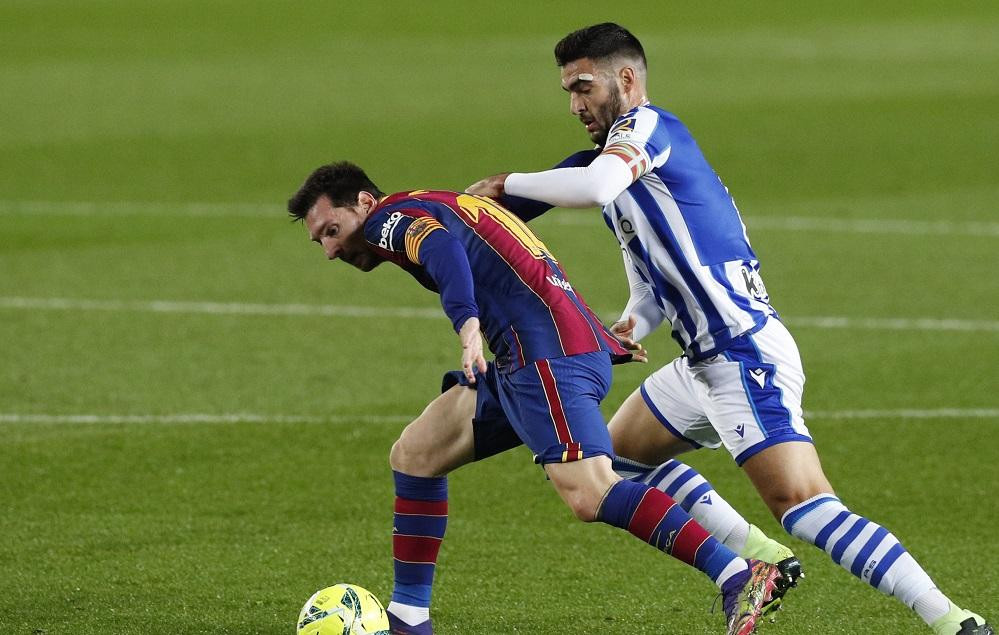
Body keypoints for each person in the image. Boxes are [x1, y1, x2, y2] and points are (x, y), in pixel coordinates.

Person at [466, 22, 993, 635]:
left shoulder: (647, 129)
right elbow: (651, 288)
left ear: (627, 78)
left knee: (804, 504)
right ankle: (763, 561)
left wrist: (509, 184)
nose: (576, 103)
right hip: (701, 363)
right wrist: (630, 324)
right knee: (621, 458)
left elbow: (594, 182)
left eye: (584, 86)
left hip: (742, 353)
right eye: (567, 91)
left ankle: (954, 620)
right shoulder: (625, 182)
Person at [286, 162, 793, 635]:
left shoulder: (389, 221)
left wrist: (466, 324)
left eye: (332, 231)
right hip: (532, 355)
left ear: (364, 201)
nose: (331, 250)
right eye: (318, 242)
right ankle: (408, 619)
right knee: (416, 453)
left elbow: (441, 250)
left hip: (542, 358)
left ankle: (736, 574)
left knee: (589, 492)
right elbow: (516, 252)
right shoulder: (434, 201)